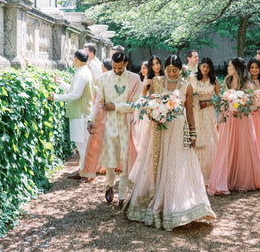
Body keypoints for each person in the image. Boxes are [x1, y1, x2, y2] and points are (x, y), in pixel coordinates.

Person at [125, 54, 216, 231]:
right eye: (169, 70)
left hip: (179, 132)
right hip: (160, 131)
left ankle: (184, 207)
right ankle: (162, 201)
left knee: (179, 166)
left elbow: (189, 111)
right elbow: (148, 102)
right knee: (161, 165)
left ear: (180, 69)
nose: (172, 73)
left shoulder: (187, 86)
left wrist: (193, 133)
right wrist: (155, 115)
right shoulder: (157, 82)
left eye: (175, 70)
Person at [82, 52, 142, 207]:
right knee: (110, 159)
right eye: (114, 68)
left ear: (126, 64)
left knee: (126, 159)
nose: (116, 70)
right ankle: (109, 184)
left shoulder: (135, 79)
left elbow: (137, 104)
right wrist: (90, 118)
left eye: (120, 68)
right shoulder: (103, 78)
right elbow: (98, 103)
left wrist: (116, 107)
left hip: (127, 124)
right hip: (109, 125)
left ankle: (122, 194)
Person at [208, 57, 260, 195]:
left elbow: (253, 105)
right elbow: (223, 102)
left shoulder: (247, 84)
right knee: (227, 148)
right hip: (229, 121)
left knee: (243, 148)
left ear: (235, 68)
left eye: (229, 66)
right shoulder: (227, 82)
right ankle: (226, 180)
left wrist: (241, 106)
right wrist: (221, 119)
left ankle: (243, 180)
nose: (227, 68)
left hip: (242, 121)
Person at [48, 49, 93, 179]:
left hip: (80, 113)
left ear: (76, 59)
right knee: (82, 144)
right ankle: (84, 170)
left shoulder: (81, 74)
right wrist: (61, 83)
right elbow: (75, 90)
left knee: (82, 145)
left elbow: (75, 95)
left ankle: (85, 172)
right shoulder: (84, 71)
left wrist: (56, 97)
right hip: (80, 112)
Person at [189, 57, 220, 185]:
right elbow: (187, 95)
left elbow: (220, 98)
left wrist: (208, 102)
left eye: (207, 67)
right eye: (203, 66)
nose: (205, 69)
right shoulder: (192, 78)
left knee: (210, 138)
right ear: (199, 66)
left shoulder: (214, 80)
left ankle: (211, 172)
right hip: (195, 111)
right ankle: (195, 173)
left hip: (208, 112)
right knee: (197, 137)